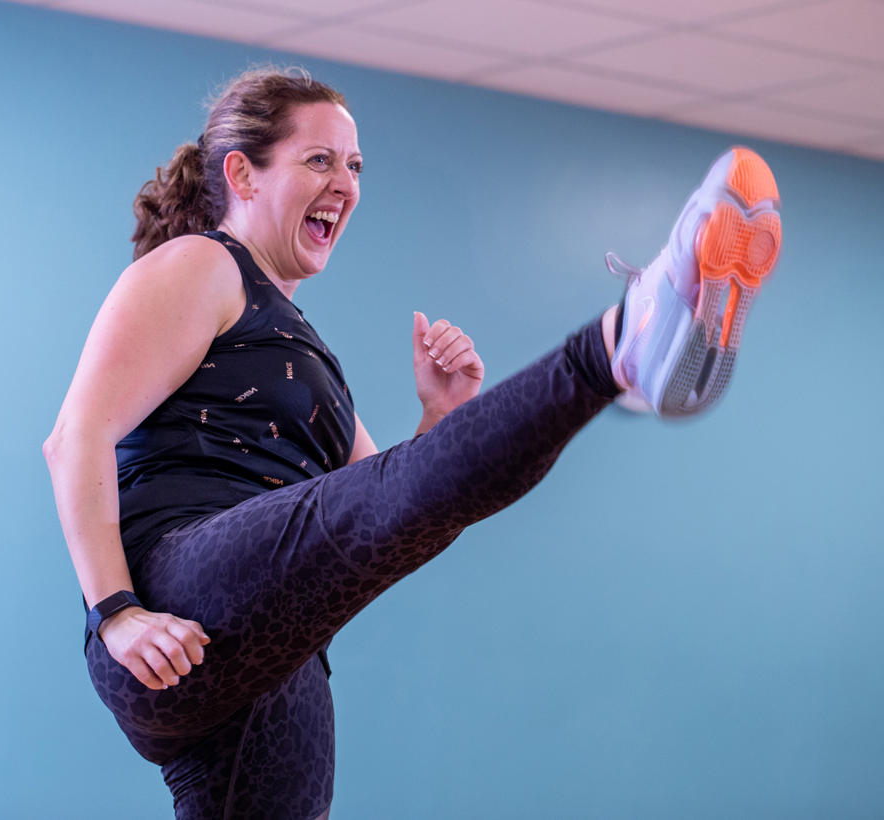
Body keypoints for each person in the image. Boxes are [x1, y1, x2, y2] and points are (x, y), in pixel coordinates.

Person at [43, 67, 781, 819]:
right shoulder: (201, 263)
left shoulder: (304, 348)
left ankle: (626, 349)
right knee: (386, 502)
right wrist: (117, 611)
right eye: (319, 160)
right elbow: (74, 437)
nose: (345, 183)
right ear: (243, 174)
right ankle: (624, 340)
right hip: (174, 599)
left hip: (274, 653)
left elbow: (400, 520)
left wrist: (441, 421)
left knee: (396, 508)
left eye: (355, 165)